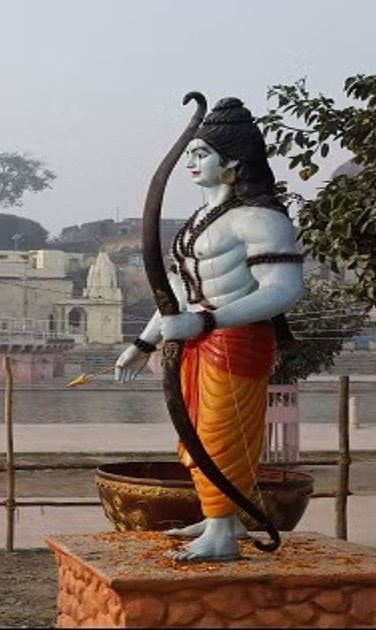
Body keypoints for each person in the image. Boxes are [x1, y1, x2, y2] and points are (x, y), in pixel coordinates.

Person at [115, 97, 304, 562]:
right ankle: (220, 516)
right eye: (191, 154)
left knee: (223, 434)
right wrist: (144, 341)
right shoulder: (195, 225)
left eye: (202, 154)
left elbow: (283, 289)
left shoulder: (261, 219)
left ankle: (222, 529)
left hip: (235, 341)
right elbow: (177, 296)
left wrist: (205, 321)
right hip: (193, 343)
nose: (192, 164)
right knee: (194, 435)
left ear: (233, 163)